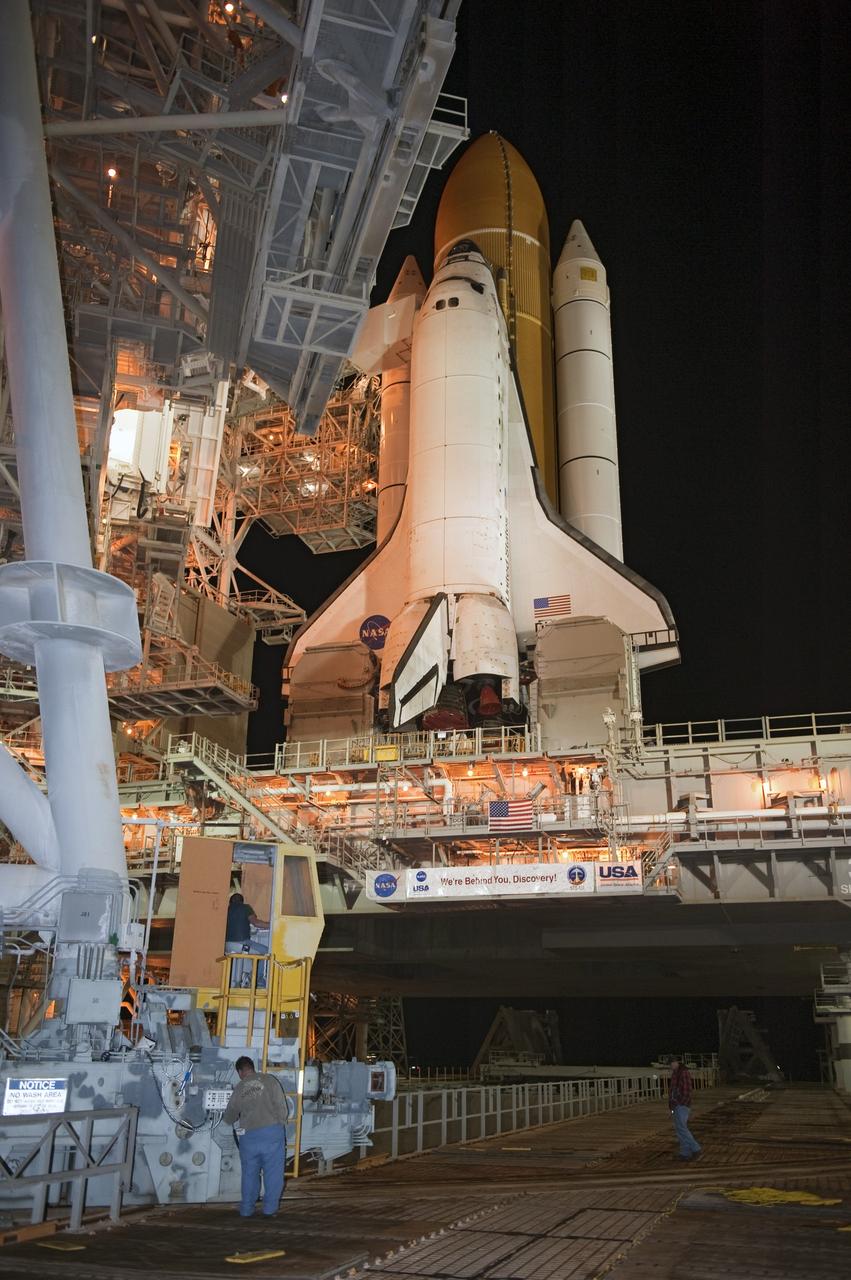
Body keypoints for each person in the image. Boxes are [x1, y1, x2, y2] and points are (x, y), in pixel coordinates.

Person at [223, 1056, 288, 1217]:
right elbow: (282, 1108)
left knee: (249, 1174)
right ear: (253, 1067)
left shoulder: (239, 1087)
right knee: (273, 1174)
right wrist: (279, 1124)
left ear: (240, 1072)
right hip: (272, 1134)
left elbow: (229, 1116)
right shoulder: (270, 1080)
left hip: (249, 1138)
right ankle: (270, 1210)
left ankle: (246, 1210)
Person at [225, 893, 269, 988]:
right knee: (266, 952)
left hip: (227, 945)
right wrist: (273, 925)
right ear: (242, 901)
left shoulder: (226, 909)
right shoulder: (245, 908)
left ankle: (240, 980)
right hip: (241, 944)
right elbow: (256, 923)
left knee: (251, 952)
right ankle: (257, 980)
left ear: (230, 901)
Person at [668, 1056, 702, 1160]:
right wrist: (672, 1106)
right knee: (679, 1129)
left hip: (681, 1105)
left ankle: (696, 1148)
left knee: (682, 1128)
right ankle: (685, 1153)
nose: (672, 1065)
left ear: (677, 1062)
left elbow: (687, 1091)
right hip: (676, 1105)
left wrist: (681, 1103)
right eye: (670, 1064)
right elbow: (672, 1091)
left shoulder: (683, 1072)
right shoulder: (675, 1073)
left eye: (673, 1063)